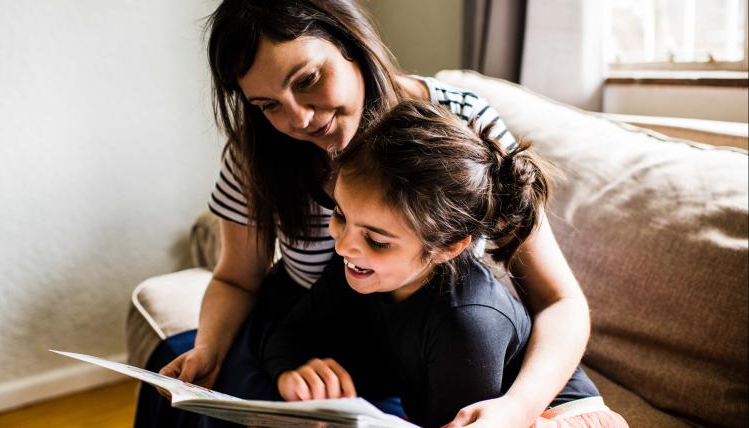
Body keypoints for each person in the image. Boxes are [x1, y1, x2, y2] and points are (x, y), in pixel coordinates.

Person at [133, 1, 592, 427]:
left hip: (425, 349)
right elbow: (237, 278)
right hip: (310, 331)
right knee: (178, 386)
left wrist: (519, 406)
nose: (297, 119)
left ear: (351, 43)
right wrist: (213, 348)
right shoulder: (259, 152)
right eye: (267, 105)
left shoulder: (461, 126)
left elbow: (558, 301)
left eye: (308, 79)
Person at [263, 100, 628, 428]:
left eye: (376, 240)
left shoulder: (467, 323)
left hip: (541, 417)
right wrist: (293, 371)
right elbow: (287, 334)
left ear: (447, 248)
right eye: (340, 216)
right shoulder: (358, 266)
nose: (343, 245)